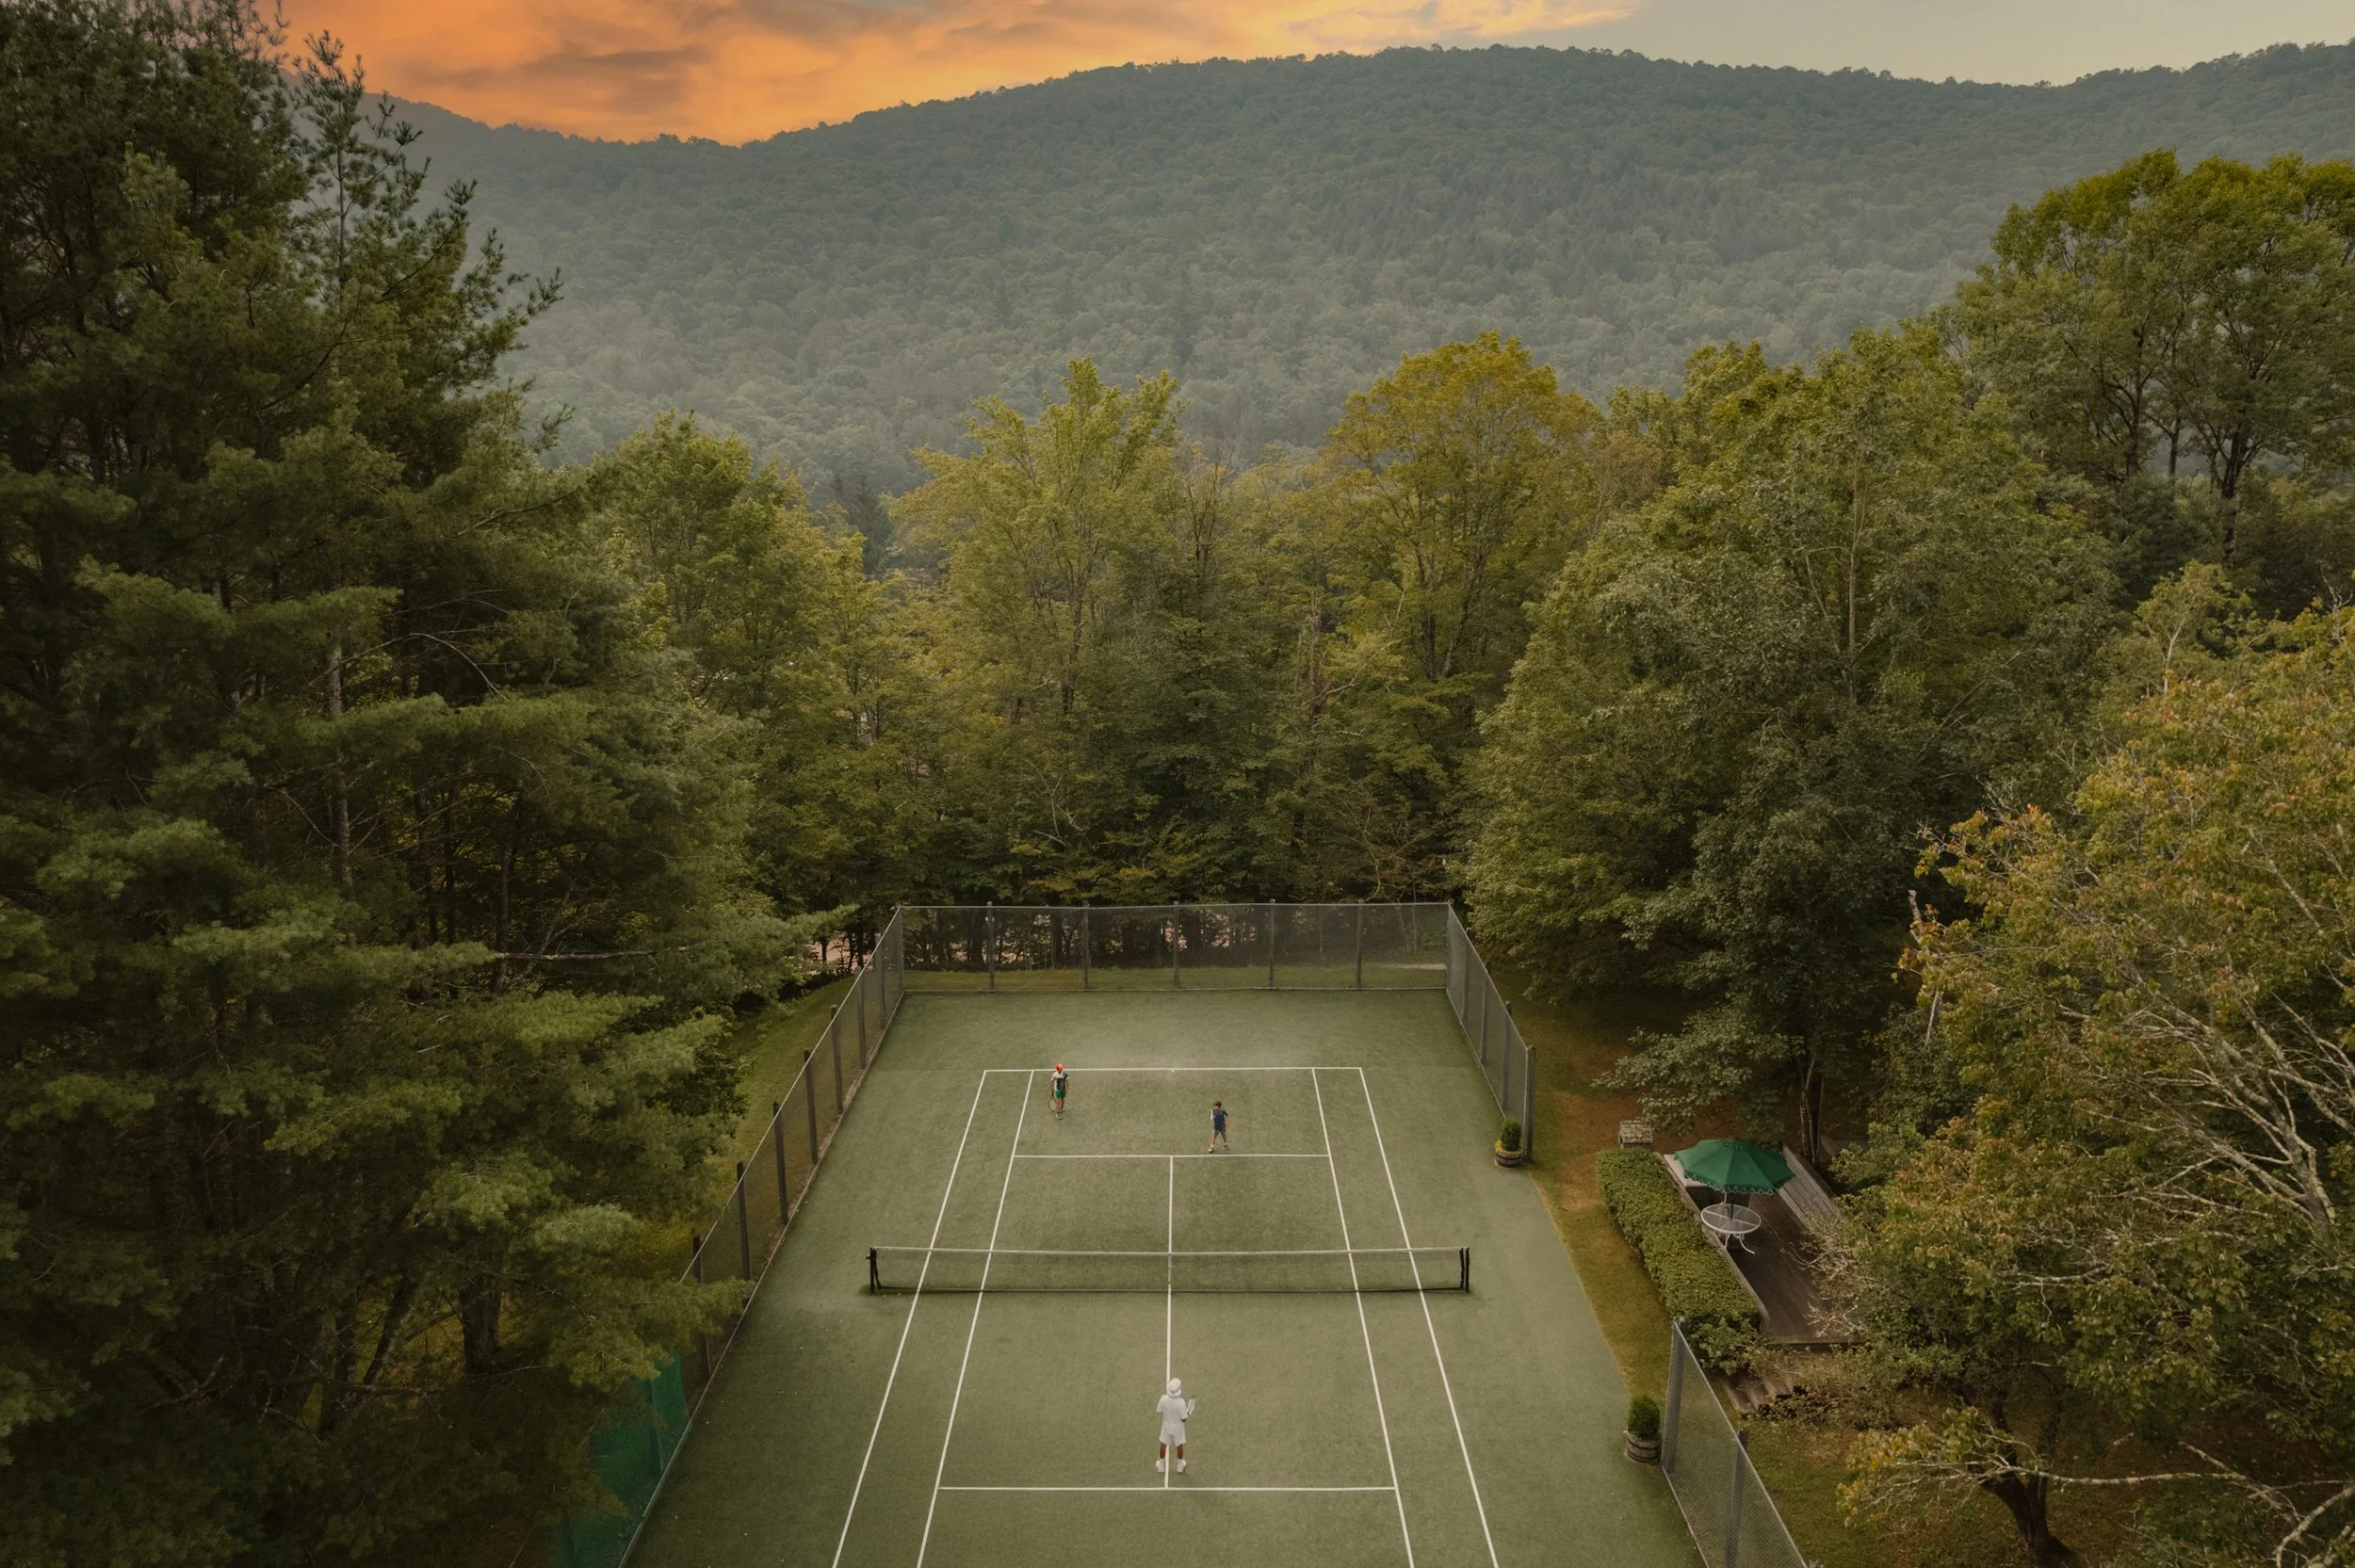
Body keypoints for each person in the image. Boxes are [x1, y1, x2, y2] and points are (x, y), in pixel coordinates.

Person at [1155, 1377, 1195, 1473]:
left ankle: (1161, 1466)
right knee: (1179, 1446)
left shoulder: (1163, 1399)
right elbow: (1183, 1419)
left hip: (1166, 1427)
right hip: (1178, 1429)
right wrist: (1187, 1414)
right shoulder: (1181, 1403)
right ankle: (1180, 1466)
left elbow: (1159, 1412)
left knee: (1163, 1444)